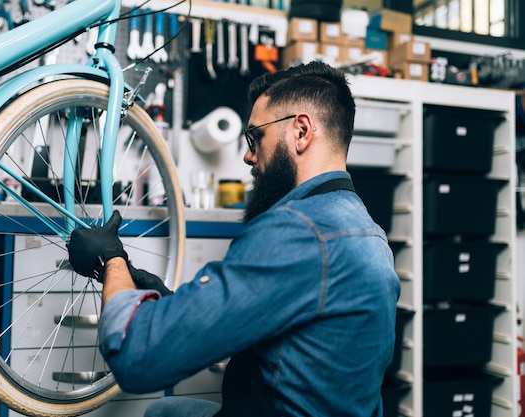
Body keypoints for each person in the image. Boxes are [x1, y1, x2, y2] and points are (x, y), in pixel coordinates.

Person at [66, 60, 401, 417]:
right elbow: (294, 338)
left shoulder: (295, 230)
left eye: (255, 137)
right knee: (169, 411)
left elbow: (136, 356)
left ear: (301, 131)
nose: (248, 155)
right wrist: (176, 305)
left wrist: (111, 258)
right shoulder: (368, 232)